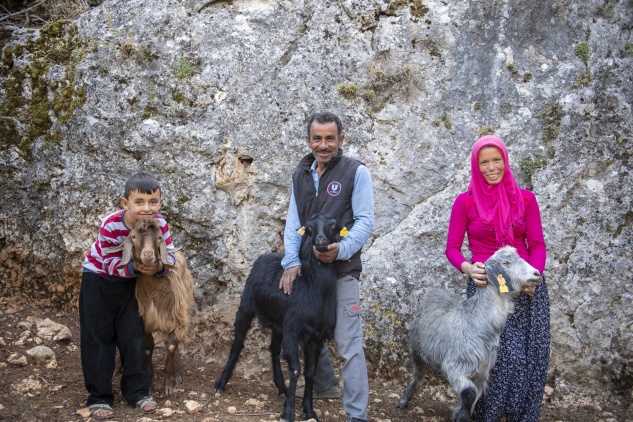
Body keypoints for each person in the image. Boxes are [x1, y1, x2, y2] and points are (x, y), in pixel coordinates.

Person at [445, 135, 550, 421]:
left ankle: (521, 414)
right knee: (496, 356)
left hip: (525, 287)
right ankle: (487, 414)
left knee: (529, 357)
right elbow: (452, 248)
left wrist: (534, 276)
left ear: (505, 160)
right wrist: (468, 268)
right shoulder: (465, 203)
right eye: (484, 162)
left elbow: (537, 244)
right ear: (476, 166)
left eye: (496, 160)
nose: (491, 168)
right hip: (487, 290)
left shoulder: (526, 199)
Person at [279, 112, 374, 422]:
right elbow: (294, 221)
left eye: (330, 138)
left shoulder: (356, 172)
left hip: (343, 272)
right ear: (309, 140)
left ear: (340, 140)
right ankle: (325, 386)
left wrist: (341, 250)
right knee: (306, 330)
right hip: (309, 274)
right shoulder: (300, 174)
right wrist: (291, 261)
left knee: (349, 345)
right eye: (317, 138)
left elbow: (365, 221)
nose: (323, 144)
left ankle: (357, 416)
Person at [79, 172, 175, 419]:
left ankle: (138, 392)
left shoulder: (160, 225)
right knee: (98, 338)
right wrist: (134, 268)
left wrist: (160, 268)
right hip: (99, 281)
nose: (146, 208)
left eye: (153, 202)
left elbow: (170, 256)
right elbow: (107, 260)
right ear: (125, 203)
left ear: (161, 202)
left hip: (132, 286)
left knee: (135, 338)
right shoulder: (111, 225)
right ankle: (99, 397)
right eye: (139, 202)